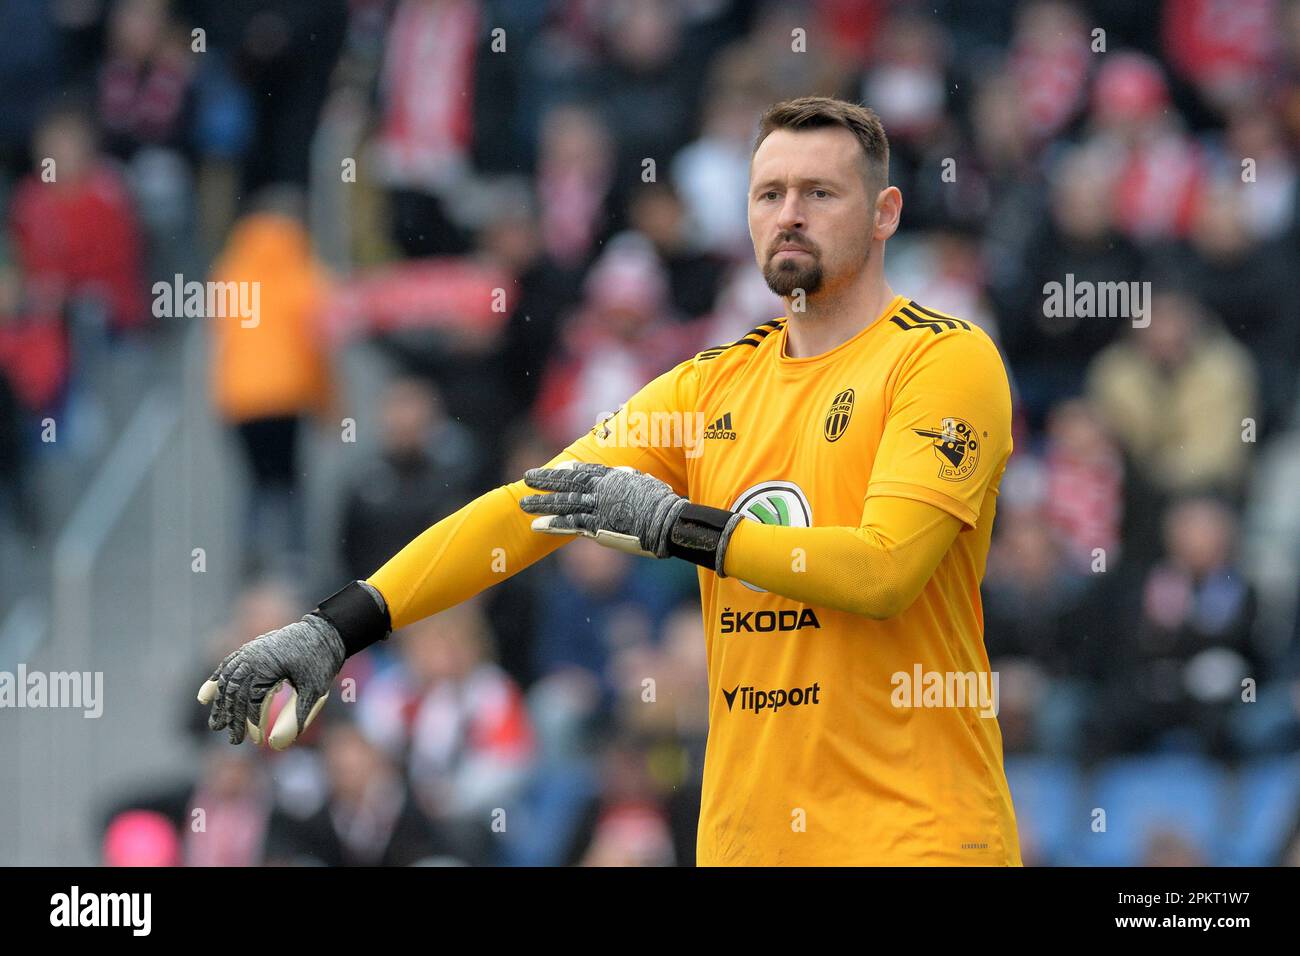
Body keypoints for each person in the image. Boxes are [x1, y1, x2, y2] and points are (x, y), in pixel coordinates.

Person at [200, 96, 1020, 866]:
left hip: (919, 835)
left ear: (885, 215)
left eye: (820, 192)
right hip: (748, 841)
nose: (790, 213)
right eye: (769, 192)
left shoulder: (941, 360)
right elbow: (526, 511)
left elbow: (883, 572)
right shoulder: (710, 387)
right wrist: (336, 628)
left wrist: (679, 528)